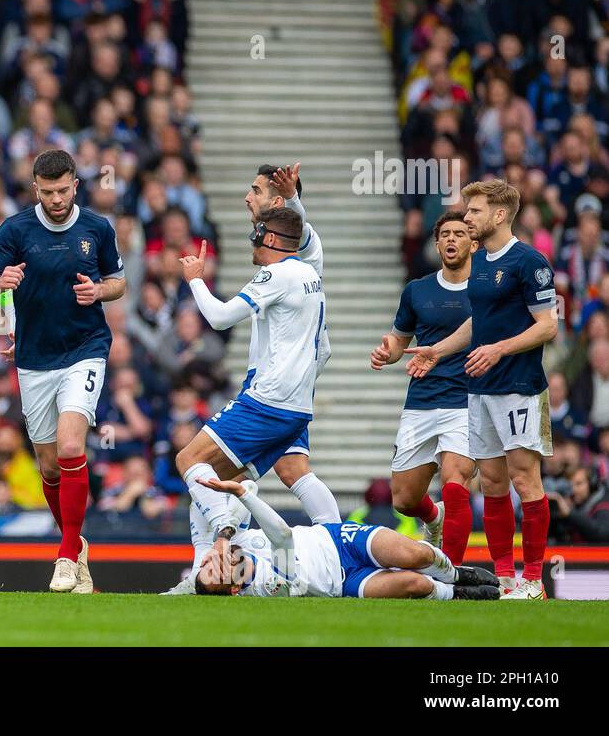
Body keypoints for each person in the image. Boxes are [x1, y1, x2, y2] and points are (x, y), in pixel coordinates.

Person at [0, 150, 126, 593]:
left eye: (63, 190)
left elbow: (119, 283)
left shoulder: (97, 229)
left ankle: (63, 555)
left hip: (86, 349)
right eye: (48, 192)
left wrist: (99, 290)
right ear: (35, 188)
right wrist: (0, 286)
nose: (56, 199)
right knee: (50, 465)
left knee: (70, 444)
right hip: (34, 358)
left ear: (76, 185)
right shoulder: (16, 229)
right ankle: (76, 548)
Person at [405, 179, 559, 599]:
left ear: (499, 214)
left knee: (526, 480)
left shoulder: (530, 262)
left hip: (519, 387)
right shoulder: (484, 261)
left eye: (473, 211)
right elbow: (479, 324)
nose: (466, 217)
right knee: (492, 483)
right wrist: (438, 350)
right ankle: (506, 578)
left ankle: (533, 581)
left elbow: (547, 325)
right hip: (480, 388)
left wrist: (498, 351)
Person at [175, 206, 325, 565]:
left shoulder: (277, 274)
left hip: (268, 400)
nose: (252, 241)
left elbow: (220, 317)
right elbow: (326, 348)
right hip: (297, 404)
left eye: (257, 233)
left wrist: (195, 279)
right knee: (207, 483)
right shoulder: (311, 275)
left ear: (271, 239)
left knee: (189, 460)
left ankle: (225, 526)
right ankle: (203, 571)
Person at [370, 211, 478, 564]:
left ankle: (452, 575)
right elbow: (400, 340)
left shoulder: (487, 290)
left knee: (456, 481)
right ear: (436, 244)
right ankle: (435, 517)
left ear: (473, 243)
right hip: (422, 400)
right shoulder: (417, 290)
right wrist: (389, 353)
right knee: (403, 498)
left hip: (466, 399)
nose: (451, 239)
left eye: (459, 233)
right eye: (445, 234)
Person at [190, 477, 500, 600]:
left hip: (337, 541)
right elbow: (283, 537)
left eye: (208, 565)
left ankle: (459, 573)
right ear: (232, 589)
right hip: (343, 583)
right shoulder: (267, 588)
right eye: (215, 574)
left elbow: (247, 484)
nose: (215, 563)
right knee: (415, 584)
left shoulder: (238, 541)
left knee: (414, 556)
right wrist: (242, 494)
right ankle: (457, 593)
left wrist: (222, 534)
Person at [237, 163, 341, 524]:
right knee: (292, 468)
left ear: (278, 200)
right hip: (284, 378)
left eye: (256, 190)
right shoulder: (275, 253)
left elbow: (300, 227)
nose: (248, 197)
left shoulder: (301, 244)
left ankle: (217, 557)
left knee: (223, 466)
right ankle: (336, 547)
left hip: (276, 383)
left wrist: (293, 199)